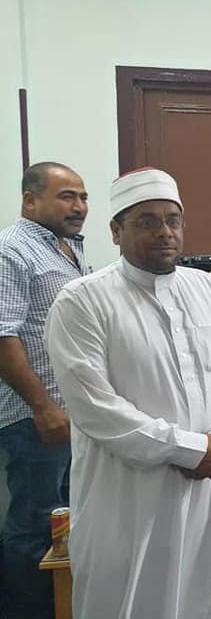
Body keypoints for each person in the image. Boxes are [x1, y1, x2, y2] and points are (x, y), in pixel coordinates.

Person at [44, 167, 211, 619]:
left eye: (173, 220)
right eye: (147, 221)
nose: (164, 232)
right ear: (116, 231)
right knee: (127, 599)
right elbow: (95, 407)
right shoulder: (82, 301)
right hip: (129, 495)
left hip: (210, 485)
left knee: (203, 593)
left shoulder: (208, 289)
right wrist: (190, 449)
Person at [0, 162, 87, 619]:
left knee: (67, 527)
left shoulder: (69, 249)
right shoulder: (12, 251)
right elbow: (3, 335)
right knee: (36, 528)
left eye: (83, 197)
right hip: (36, 420)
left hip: (72, 416)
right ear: (30, 200)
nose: (80, 207)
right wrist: (43, 407)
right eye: (67, 196)